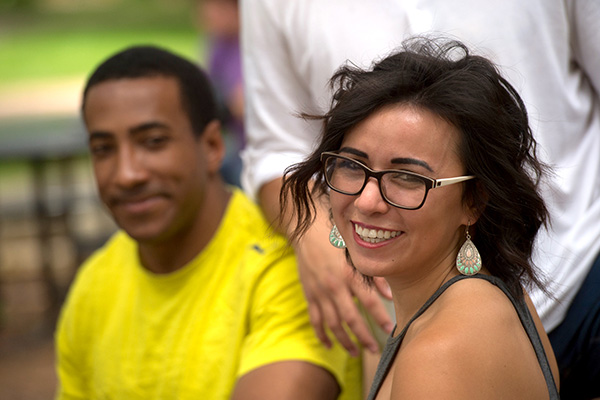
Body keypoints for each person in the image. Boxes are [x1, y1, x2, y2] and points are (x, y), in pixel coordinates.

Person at [240, 1, 600, 397]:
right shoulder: (495, 298)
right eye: (352, 166)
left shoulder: (440, 353)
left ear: (474, 200)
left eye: (407, 178)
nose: (368, 201)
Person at [54, 45, 360, 400]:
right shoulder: (94, 285)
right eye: (104, 149)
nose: (126, 174)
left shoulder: (288, 268)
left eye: (153, 142)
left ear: (213, 145)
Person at [197, 0, 244, 187]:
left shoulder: (254, 44)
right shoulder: (218, 44)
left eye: (216, 7)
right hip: (232, 142)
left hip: (255, 149)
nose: (207, 13)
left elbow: (242, 105)